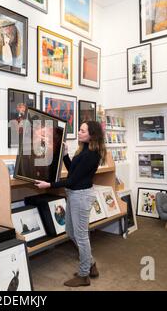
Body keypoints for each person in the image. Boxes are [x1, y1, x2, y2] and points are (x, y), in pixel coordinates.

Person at [34, 121, 107, 287]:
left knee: (81, 237)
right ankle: (90, 264)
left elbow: (72, 180)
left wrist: (49, 185)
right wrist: (66, 154)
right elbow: (73, 170)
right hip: (75, 195)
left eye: (82, 131)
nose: (79, 133)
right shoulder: (84, 150)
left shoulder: (91, 154)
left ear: (92, 134)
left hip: (81, 196)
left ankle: (84, 275)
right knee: (70, 231)